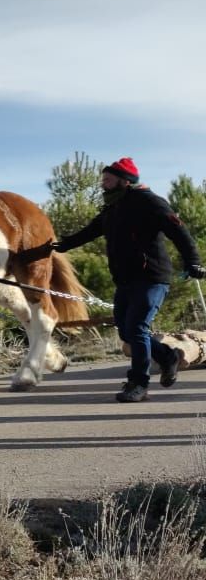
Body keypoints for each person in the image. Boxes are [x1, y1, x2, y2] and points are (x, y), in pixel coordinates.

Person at [54, 157, 206, 403]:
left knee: (136, 328)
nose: (102, 184)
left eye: (107, 180)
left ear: (124, 181)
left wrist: (193, 262)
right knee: (126, 330)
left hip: (152, 277)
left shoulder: (149, 201)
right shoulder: (113, 208)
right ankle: (168, 356)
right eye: (103, 179)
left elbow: (178, 231)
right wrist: (64, 244)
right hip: (125, 280)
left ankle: (139, 383)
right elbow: (92, 230)